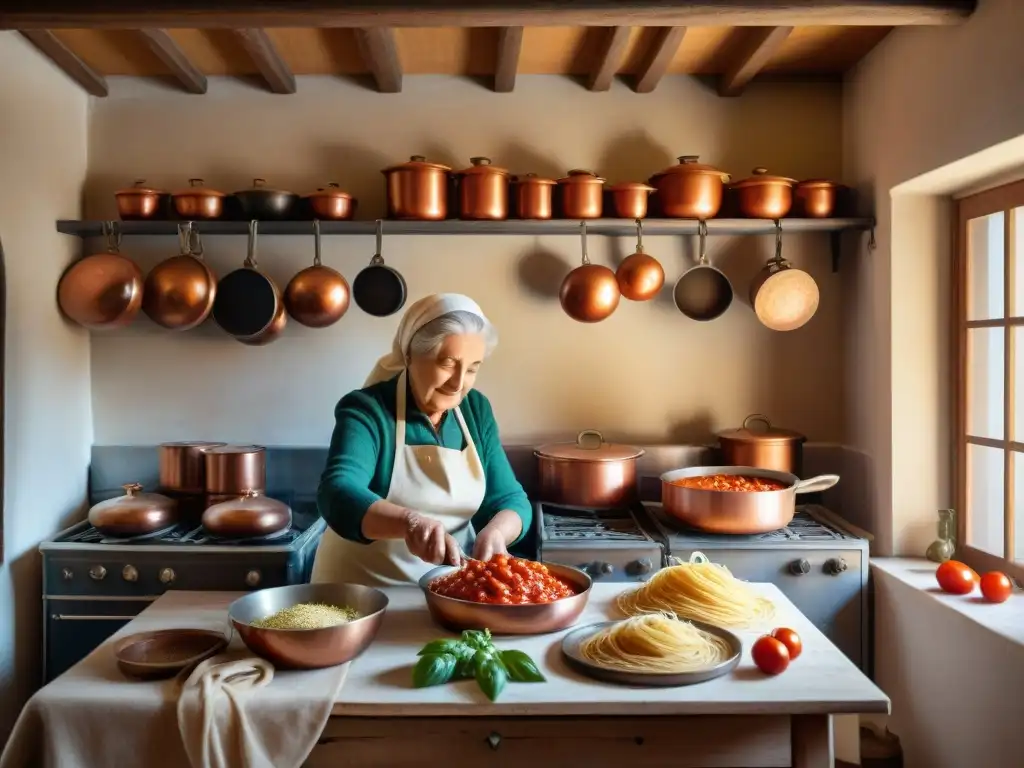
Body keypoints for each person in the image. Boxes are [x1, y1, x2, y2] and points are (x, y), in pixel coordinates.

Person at [311, 293, 532, 586]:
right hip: (358, 593)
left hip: (446, 587)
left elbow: (510, 499)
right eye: (448, 363)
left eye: (472, 368)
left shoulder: (475, 410)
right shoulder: (368, 409)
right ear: (410, 356)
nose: (458, 382)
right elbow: (338, 492)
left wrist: (495, 533)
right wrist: (410, 524)